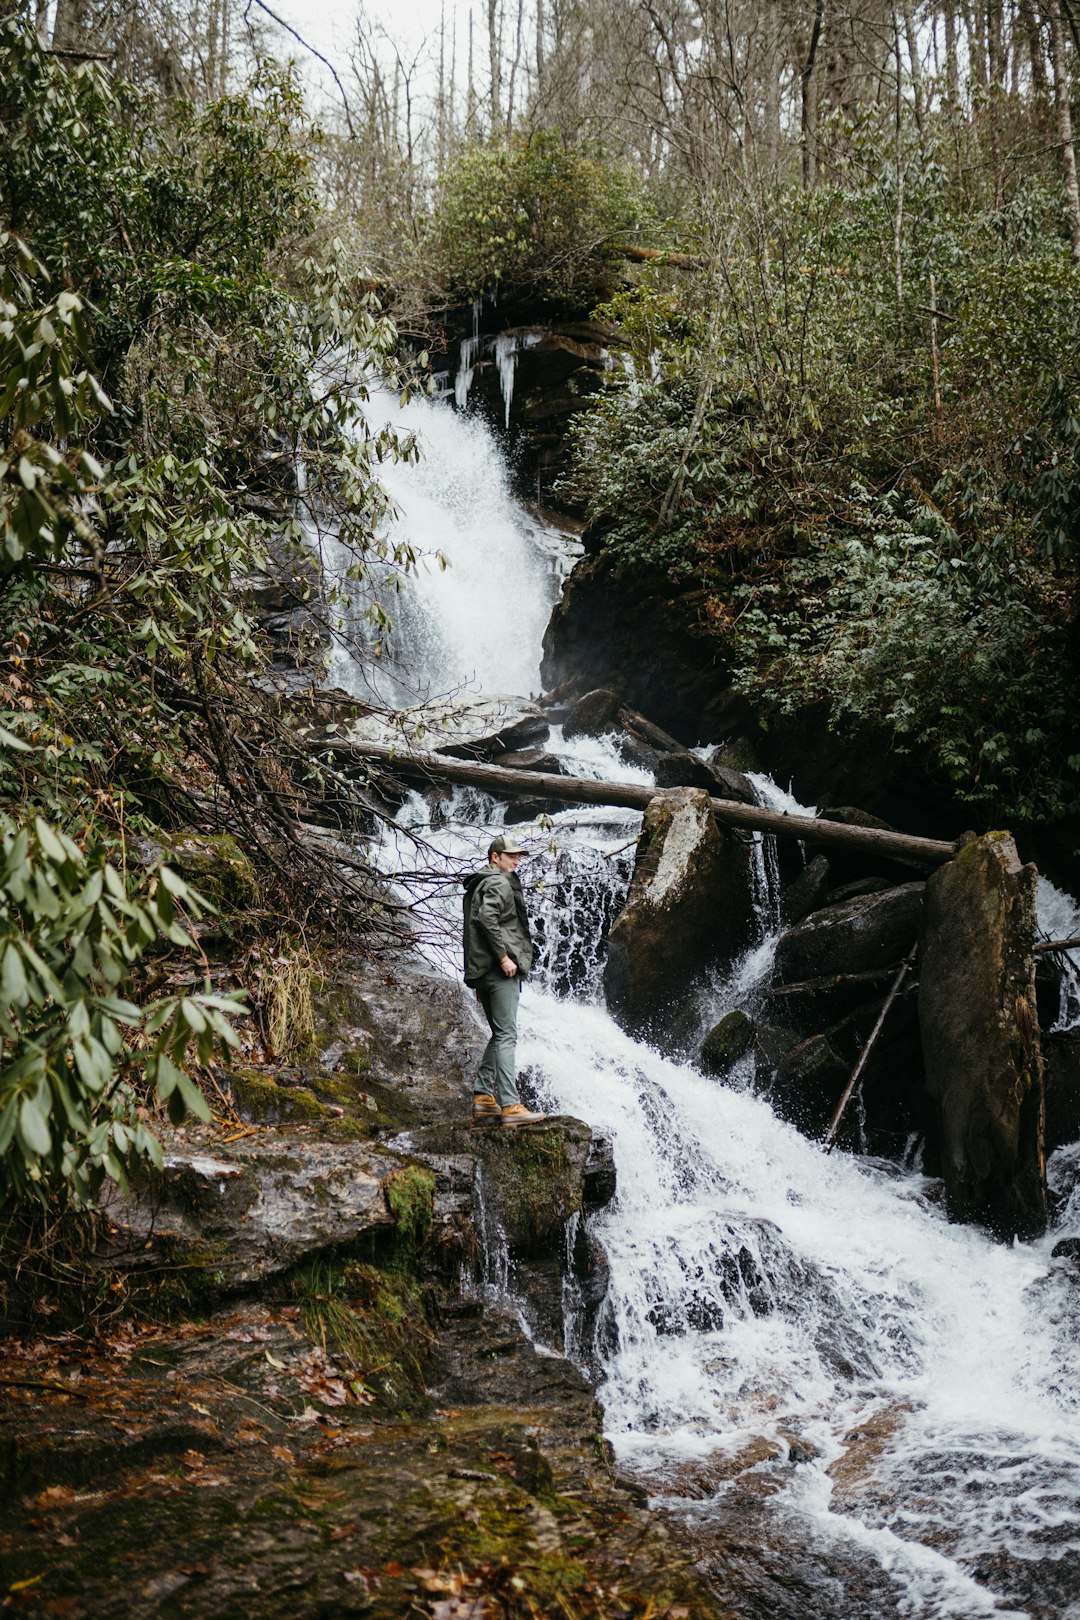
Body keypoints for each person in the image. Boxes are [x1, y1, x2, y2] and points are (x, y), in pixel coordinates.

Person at [462, 834, 546, 1127]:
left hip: (484, 972)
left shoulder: (479, 883)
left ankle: (484, 1097)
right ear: (495, 857)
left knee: (500, 1035)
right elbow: (487, 919)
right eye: (511, 856)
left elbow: (477, 925)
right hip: (500, 971)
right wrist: (503, 957)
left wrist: (482, 970)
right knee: (508, 1034)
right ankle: (510, 1105)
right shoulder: (497, 881)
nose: (516, 860)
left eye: (518, 856)